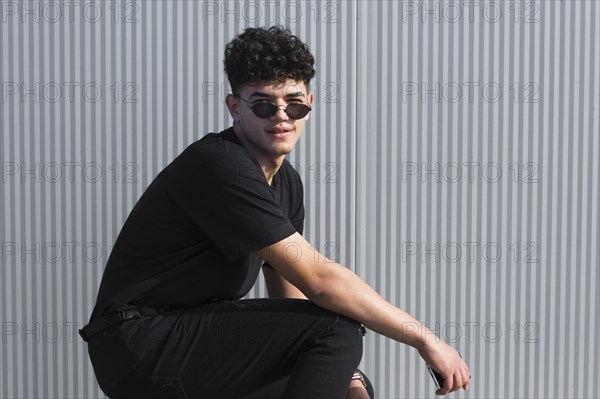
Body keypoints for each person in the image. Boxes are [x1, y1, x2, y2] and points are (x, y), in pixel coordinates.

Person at [80, 26, 470, 399]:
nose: (281, 115)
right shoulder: (222, 167)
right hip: (141, 345)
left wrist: (347, 373)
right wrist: (424, 337)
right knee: (337, 331)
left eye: (294, 103)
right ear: (235, 107)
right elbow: (320, 281)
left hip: (187, 341)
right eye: (264, 104)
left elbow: (293, 299)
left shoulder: (286, 182)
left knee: (349, 382)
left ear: (310, 105)